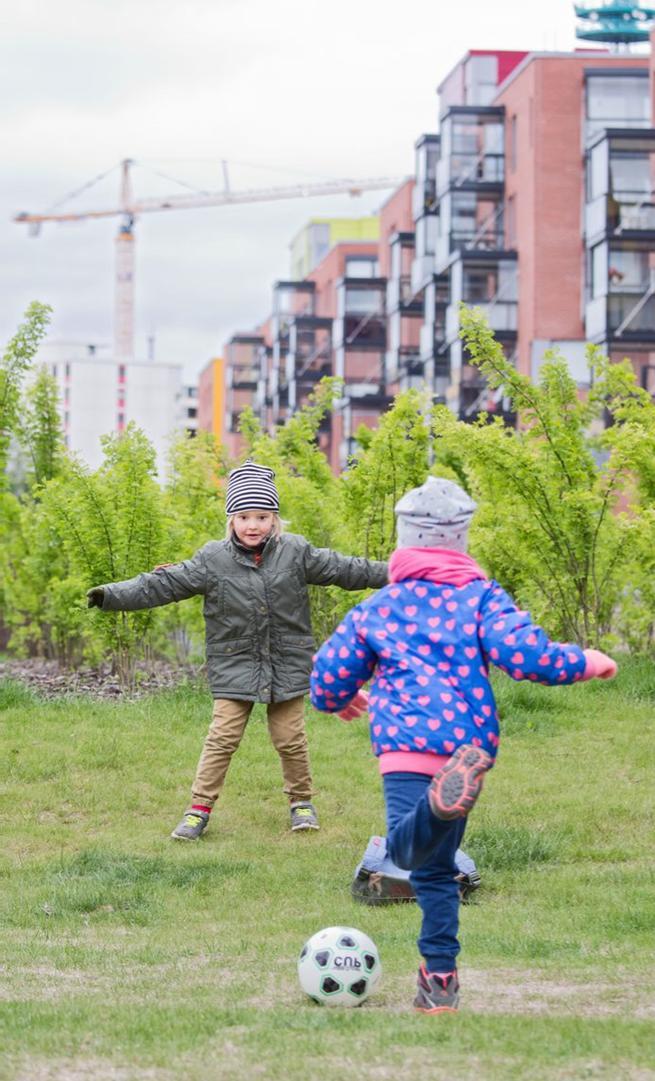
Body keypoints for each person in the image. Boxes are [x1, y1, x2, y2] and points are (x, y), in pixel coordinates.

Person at [310, 476, 617, 1014]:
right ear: (461, 542)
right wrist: (585, 662)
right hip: (463, 753)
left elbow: (329, 672)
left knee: (405, 855)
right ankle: (440, 983)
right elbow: (526, 654)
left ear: (404, 542)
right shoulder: (482, 599)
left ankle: (432, 808)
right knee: (438, 873)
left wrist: (338, 699)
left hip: (406, 748)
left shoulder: (380, 606)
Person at [87, 460, 387, 840]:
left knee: (290, 738)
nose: (253, 525)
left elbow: (348, 569)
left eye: (262, 516)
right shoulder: (212, 560)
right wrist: (110, 595)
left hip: (287, 663)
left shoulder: (296, 552)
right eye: (244, 516)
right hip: (235, 664)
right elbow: (160, 585)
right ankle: (198, 810)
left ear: (274, 518)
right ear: (231, 519)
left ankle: (301, 802)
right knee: (222, 738)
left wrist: (400, 571)